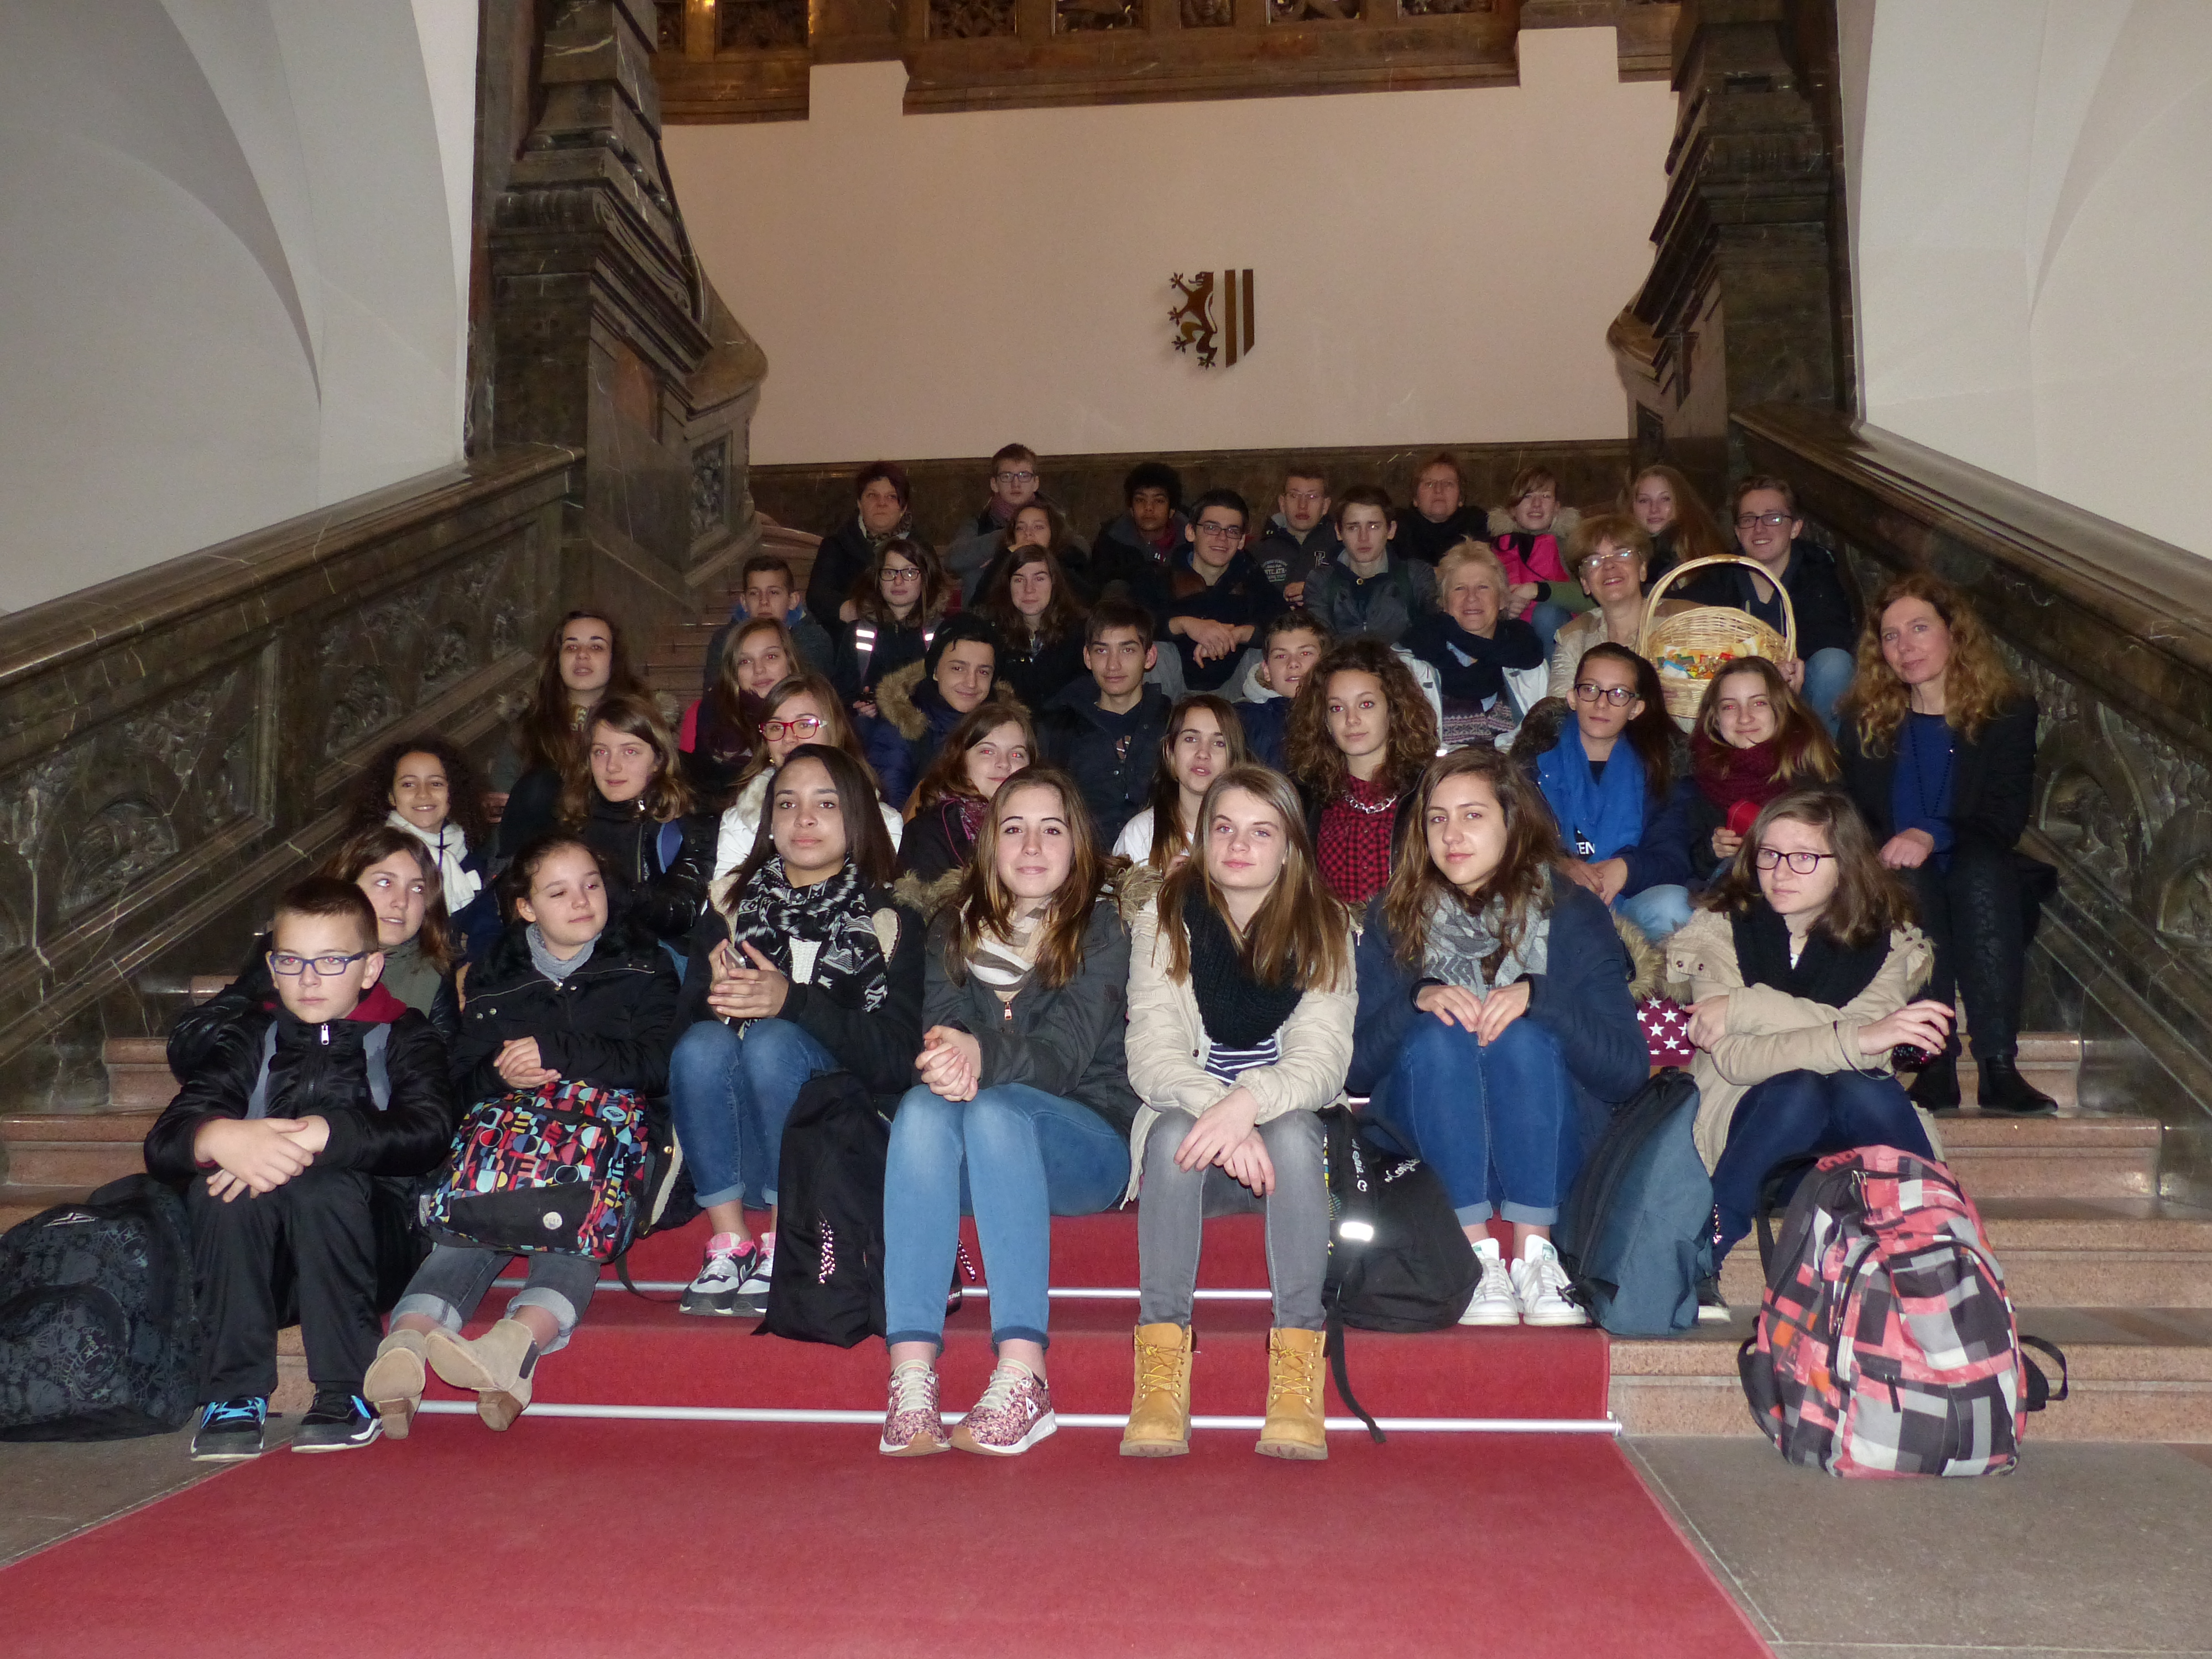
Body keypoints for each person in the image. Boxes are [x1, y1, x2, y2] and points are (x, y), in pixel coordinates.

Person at [364, 836, 678, 1434]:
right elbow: (456, 1086)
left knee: (574, 1214)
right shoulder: (493, 974)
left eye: (591, 883)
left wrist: (562, 1051)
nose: (582, 900)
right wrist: (496, 1073)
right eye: (558, 891)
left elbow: (660, 1065)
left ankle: (491, 1343)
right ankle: (419, 1345)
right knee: (478, 1214)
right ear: (527, 908)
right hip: (510, 1142)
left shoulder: (644, 962)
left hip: (601, 1146)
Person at [148, 877, 457, 1459]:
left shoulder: (404, 1034)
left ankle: (345, 1387)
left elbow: (429, 1132)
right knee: (224, 1187)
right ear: (271, 965)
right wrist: (218, 1135)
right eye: (292, 961)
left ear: (369, 969)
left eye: (331, 961)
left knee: (323, 1184)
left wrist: (327, 1133)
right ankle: (235, 1393)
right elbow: (165, 1142)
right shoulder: (250, 1036)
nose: (309, 979)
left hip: (373, 1245)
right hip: (267, 1263)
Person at [881, 769, 1136, 1457]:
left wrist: (976, 1054)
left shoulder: (1103, 929)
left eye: (1051, 829)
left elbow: (1060, 1060)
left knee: (995, 1111)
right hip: (982, 1152)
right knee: (918, 1107)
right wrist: (948, 1059)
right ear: (990, 845)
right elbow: (941, 1042)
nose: (1031, 845)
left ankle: (1026, 1374)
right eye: (1014, 829)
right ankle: (911, 1374)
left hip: (1086, 1144)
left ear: (1076, 846)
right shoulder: (949, 929)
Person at [1349, 748, 1647, 1326]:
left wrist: (1541, 999)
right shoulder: (1394, 914)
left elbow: (1626, 1071)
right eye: (1436, 818)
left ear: (1512, 823)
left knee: (1521, 1035)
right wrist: (1415, 1000)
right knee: (1439, 1033)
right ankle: (1476, 1256)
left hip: (1550, 1148)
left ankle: (1535, 1255)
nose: (1451, 835)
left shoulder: (1572, 912)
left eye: (1472, 815)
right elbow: (1355, 1071)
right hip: (1433, 1152)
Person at [1121, 765, 1355, 1460]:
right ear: (1200, 838)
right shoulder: (1162, 916)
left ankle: (1295, 1367)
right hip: (1193, 1151)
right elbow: (1152, 1055)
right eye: (1223, 828)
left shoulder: (1327, 925)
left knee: (1288, 1133)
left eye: (1261, 831)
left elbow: (1321, 1064)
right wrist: (1221, 1112)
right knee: (1168, 1133)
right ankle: (1160, 1370)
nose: (1239, 845)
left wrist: (1249, 1102)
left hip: (1287, 1162)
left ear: (1290, 848)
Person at [668, 746, 925, 1316]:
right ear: (769, 822)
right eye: (787, 804)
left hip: (835, 1152)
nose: (803, 819)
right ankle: (730, 1242)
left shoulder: (894, 918)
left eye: (824, 804)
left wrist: (793, 1002)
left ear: (855, 816)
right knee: (706, 1043)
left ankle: (787, 1240)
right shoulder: (728, 907)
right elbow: (682, 1048)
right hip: (738, 1152)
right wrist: (716, 1005)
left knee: (774, 1039)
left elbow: (897, 1062)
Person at [1667, 788, 1949, 1284]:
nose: (1779, 872)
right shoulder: (1716, 930)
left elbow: (1875, 1058)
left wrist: (1743, 1005)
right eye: (1769, 855)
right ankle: (1707, 1250)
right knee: (1798, 1090)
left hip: (1848, 1139)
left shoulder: (1891, 942)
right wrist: (1861, 1035)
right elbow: (1736, 1059)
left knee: (1860, 1087)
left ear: (1845, 864)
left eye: (1803, 857)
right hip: (1746, 1125)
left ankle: (1940, 1256)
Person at [1835, 573, 2054, 1114]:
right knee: (1908, 876)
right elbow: (1855, 819)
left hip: (1981, 881)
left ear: (1953, 634)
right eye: (1890, 636)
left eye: (1918, 628)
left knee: (1981, 868)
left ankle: (1999, 1066)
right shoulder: (1864, 722)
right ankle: (1933, 1062)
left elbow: (2003, 817)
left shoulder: (2006, 713)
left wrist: (1932, 832)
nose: (1904, 646)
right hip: (1902, 888)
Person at [168, 827, 463, 1078]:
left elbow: (440, 1083)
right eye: (384, 882)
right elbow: (189, 1048)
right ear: (347, 887)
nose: (401, 901)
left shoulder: (433, 971)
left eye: (417, 889)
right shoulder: (292, 950)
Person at [1515, 644, 1692, 943]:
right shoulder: (1535, 762)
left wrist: (1627, 869)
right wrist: (1559, 865)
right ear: (1573, 698)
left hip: (1627, 901)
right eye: (1590, 689)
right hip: (1554, 897)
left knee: (1674, 905)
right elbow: (1513, 839)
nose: (1602, 704)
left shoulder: (1661, 768)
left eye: (1619, 694)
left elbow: (1673, 856)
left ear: (1636, 708)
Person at [1645, 658, 1841, 899]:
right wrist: (1712, 850)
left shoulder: (1813, 769)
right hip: (1728, 897)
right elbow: (1683, 865)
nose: (1744, 718)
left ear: (1780, 709)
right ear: (1715, 717)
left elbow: (1846, 850)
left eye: (1759, 703)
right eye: (1729, 707)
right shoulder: (1695, 776)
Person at [1677, 476, 1858, 731]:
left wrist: (1785, 667)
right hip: (1738, 695)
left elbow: (1832, 635)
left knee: (1834, 665)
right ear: (1739, 532)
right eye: (1749, 519)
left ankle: (1819, 760)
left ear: (1795, 528)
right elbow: (1675, 608)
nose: (1759, 529)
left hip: (1801, 692)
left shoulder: (1816, 571)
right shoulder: (1725, 573)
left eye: (1773, 518)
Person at [711, 672, 905, 884]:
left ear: (835, 730)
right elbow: (724, 904)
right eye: (776, 727)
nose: (789, 738)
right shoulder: (739, 820)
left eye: (805, 724)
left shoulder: (883, 821)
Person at [1287, 638, 1437, 907]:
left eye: (1366, 704)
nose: (1351, 719)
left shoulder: (1431, 792)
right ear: (1324, 720)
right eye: (1337, 708)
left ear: (1394, 710)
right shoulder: (1304, 798)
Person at [564, 692, 717, 947]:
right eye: (601, 752)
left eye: (630, 752)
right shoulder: (572, 819)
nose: (612, 766)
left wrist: (616, 889)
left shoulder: (687, 823)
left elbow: (679, 913)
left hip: (654, 960)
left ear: (658, 760)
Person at [499, 611, 649, 855]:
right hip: (543, 859)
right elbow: (504, 799)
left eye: (597, 647)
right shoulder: (529, 727)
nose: (582, 655)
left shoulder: (642, 724)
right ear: (557, 660)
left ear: (614, 660)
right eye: (571, 647)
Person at [348, 734, 500, 963]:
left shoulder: (463, 847)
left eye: (436, 783)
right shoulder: (375, 852)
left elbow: (481, 917)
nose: (423, 794)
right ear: (391, 796)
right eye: (409, 784)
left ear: (453, 793)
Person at [1038, 599, 1172, 846]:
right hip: (1082, 869)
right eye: (1102, 650)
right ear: (1087, 658)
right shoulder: (1058, 727)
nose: (1113, 664)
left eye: (1127, 650)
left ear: (1150, 656)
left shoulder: (1175, 725)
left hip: (1159, 866)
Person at [1401, 540, 1547, 750]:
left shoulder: (1528, 660)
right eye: (1460, 588)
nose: (1472, 598)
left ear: (1503, 600)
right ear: (1444, 603)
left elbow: (1542, 741)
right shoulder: (1412, 664)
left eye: (1483, 587)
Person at [864, 613, 1004, 810]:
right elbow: (891, 816)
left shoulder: (1008, 728)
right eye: (958, 668)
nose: (971, 683)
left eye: (983, 672)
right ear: (936, 671)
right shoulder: (902, 729)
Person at [1546, 514, 1694, 700]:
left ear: (1642, 569)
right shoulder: (1574, 639)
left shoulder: (1685, 621)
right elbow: (1556, 714)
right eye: (1594, 560)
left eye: (1622, 554)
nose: (1609, 566)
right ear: (1585, 582)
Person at [898, 700, 1037, 881]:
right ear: (961, 760)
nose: (1003, 763)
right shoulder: (928, 832)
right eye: (987, 752)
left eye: (1017, 754)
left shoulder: (1050, 828)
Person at [1165, 489, 1285, 695]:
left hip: (1236, 690)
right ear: (1191, 532)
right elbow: (1135, 621)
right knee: (1155, 651)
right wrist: (1185, 624)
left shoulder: (1252, 578)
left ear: (1241, 541)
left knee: (1268, 653)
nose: (1222, 538)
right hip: (1174, 689)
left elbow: (1287, 625)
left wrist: (1241, 634)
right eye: (1212, 528)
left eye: (1232, 531)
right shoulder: (1162, 577)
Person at [1113, 693, 1246, 870]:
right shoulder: (1141, 834)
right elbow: (1122, 897)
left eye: (1219, 743)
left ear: (1235, 759)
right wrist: (1166, 893)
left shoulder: (1251, 833)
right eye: (1191, 739)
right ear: (1170, 752)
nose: (1203, 753)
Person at [1298, 486, 1437, 646]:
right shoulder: (1321, 581)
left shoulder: (1415, 576)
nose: (1363, 538)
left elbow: (1432, 632)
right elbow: (1321, 644)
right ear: (1338, 532)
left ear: (1391, 530)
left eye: (1373, 526)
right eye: (1353, 527)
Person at [835, 535, 954, 708]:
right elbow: (841, 693)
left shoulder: (943, 632)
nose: (898, 581)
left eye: (910, 573)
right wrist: (857, 708)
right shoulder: (857, 632)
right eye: (890, 573)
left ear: (925, 579)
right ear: (878, 580)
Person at [687, 617, 797, 800]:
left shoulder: (815, 707)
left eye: (771, 657)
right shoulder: (715, 713)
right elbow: (707, 787)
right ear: (733, 672)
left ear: (790, 662)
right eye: (745, 661)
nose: (759, 669)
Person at [807, 461, 922, 629]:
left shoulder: (920, 548)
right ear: (860, 504)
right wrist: (852, 610)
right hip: (850, 637)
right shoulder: (837, 545)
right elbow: (818, 596)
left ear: (903, 508)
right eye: (873, 496)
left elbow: (933, 595)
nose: (881, 503)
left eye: (891, 497)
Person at [944, 444, 1065, 597]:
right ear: (994, 484)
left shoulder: (1053, 518)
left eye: (1024, 475)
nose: (1016, 484)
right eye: (1007, 476)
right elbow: (953, 561)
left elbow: (1079, 551)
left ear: (1036, 483)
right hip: (986, 610)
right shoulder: (979, 523)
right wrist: (1009, 541)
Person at [978, 543, 1088, 711]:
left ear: (1054, 583)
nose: (1029, 589)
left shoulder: (1081, 634)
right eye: (1019, 579)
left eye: (1039, 578)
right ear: (1008, 585)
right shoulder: (991, 635)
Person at [1488, 466, 1580, 657]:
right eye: (1528, 496)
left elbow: (1593, 596)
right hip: (1513, 635)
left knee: (1546, 613)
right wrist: (1506, 609)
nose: (1537, 504)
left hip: (1563, 631)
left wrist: (1537, 590)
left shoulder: (1573, 546)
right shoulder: (1495, 550)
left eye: (1546, 496)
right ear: (1513, 508)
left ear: (1556, 507)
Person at [706, 554, 836, 690]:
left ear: (792, 600)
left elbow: (815, 694)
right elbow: (714, 696)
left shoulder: (814, 640)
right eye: (754, 593)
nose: (764, 601)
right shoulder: (724, 640)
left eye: (773, 593)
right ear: (744, 602)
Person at [1089, 460, 1186, 625]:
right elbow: (1099, 588)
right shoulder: (1112, 540)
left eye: (1159, 501)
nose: (1149, 508)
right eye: (1140, 500)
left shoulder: (1190, 541)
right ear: (1131, 509)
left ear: (1172, 510)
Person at [1233, 611, 1329, 771]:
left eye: (1305, 653)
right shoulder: (1241, 721)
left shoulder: (1343, 715)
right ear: (1267, 670)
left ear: (1326, 663)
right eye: (1281, 656)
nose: (1293, 663)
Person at [964, 499, 1091, 609]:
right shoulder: (1003, 563)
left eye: (1038, 527)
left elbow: (1087, 601)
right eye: (1020, 528)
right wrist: (1004, 558)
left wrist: (1048, 561)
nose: (1028, 533)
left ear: (1053, 533)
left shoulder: (1073, 561)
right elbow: (978, 607)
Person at [1625, 463, 1728, 586]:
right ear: (1633, 507)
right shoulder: (1624, 554)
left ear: (1681, 503)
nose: (1654, 509)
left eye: (1665, 499)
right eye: (1644, 501)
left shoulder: (1703, 554)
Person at [1253, 465, 1340, 603]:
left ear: (1325, 506)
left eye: (1312, 496)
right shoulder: (1258, 551)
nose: (1302, 506)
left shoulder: (1342, 547)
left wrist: (1316, 591)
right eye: (1294, 496)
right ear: (1282, 503)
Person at [1391, 451, 1489, 567]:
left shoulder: (1477, 523)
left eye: (1448, 484)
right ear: (1416, 498)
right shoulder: (1397, 527)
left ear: (1461, 498)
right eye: (1429, 484)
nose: (1438, 490)